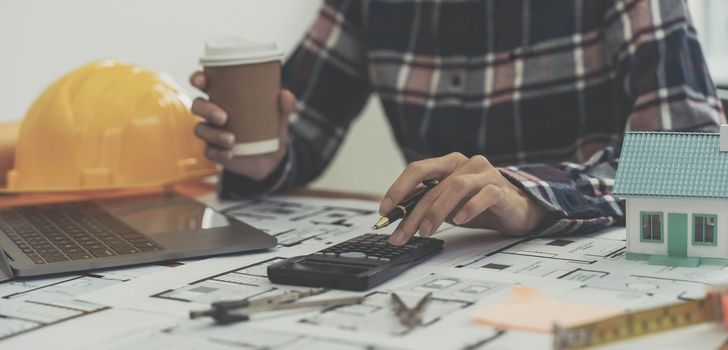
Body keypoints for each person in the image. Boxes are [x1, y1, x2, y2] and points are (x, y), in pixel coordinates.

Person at [190, 0, 724, 246]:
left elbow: (693, 164)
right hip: (437, 274)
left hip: (592, 283)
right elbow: (297, 136)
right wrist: (263, 159)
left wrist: (529, 195)